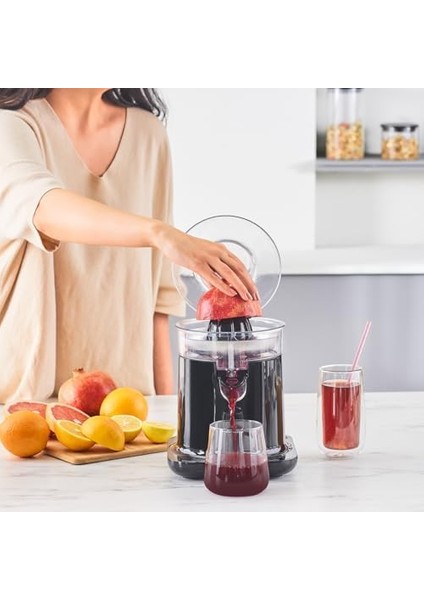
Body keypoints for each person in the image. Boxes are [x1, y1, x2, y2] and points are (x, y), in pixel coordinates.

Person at [0, 88, 258, 404]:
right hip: (27, 404)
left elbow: (160, 297)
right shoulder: (12, 124)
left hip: (129, 405)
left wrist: (169, 406)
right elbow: (42, 207)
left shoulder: (148, 135)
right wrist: (159, 233)